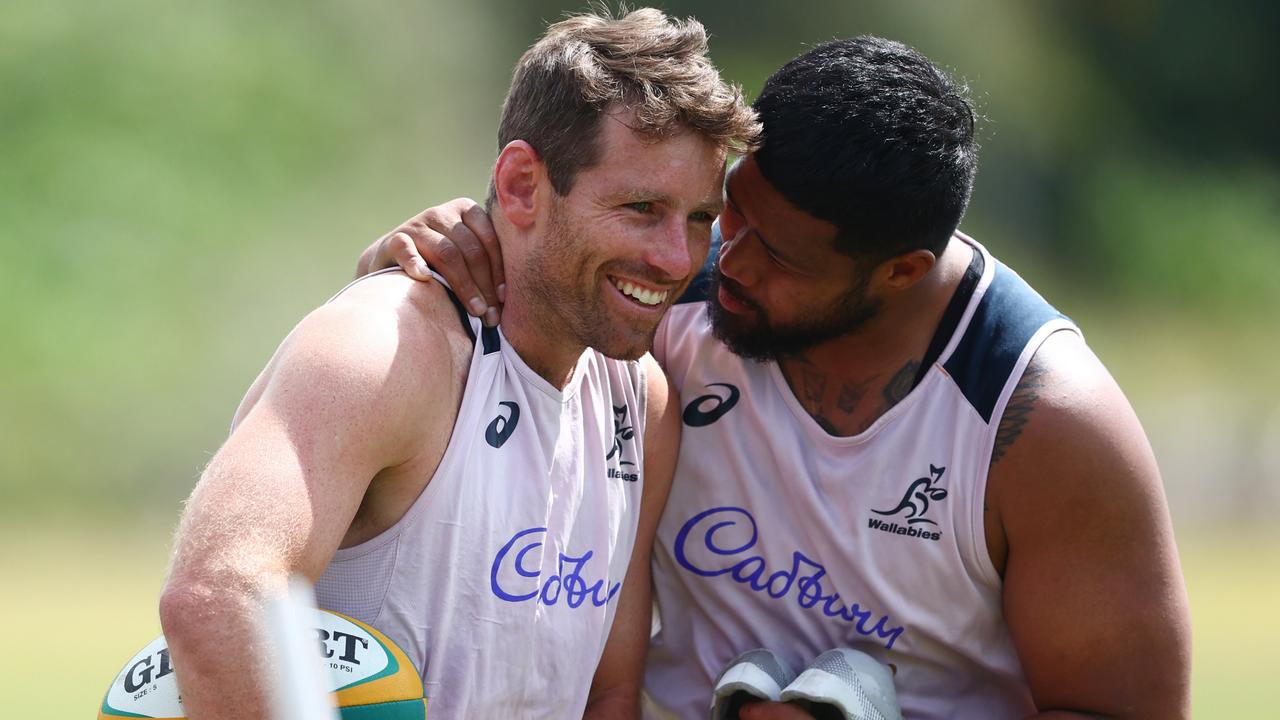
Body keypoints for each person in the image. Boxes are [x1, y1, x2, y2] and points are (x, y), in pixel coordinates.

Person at [358, 36, 1193, 719]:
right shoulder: (666, 286)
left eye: (778, 253)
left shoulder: (1046, 422)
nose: (715, 260)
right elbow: (512, 273)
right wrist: (430, 261)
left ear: (901, 272)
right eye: (727, 213)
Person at [157, 8, 759, 719]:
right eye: (640, 207)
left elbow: (607, 692)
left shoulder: (644, 402)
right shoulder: (382, 349)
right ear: (521, 185)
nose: (676, 259)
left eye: (698, 218)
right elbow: (218, 594)